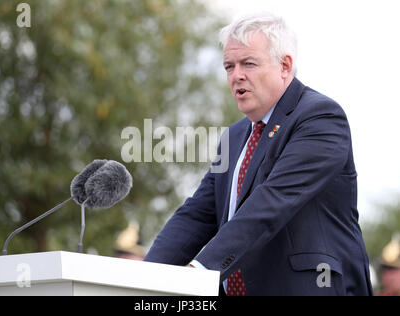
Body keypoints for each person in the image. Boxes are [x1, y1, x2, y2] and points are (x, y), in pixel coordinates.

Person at [144, 12, 373, 296]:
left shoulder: (320, 118)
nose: (236, 75)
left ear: (285, 66)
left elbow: (272, 201)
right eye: (229, 66)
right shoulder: (236, 135)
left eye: (248, 63)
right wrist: (145, 276)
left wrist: (201, 269)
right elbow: (198, 215)